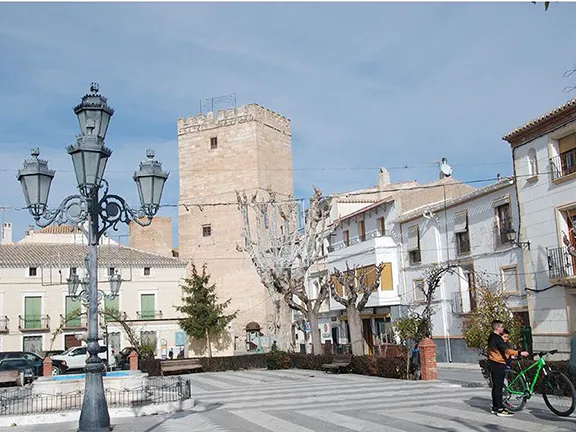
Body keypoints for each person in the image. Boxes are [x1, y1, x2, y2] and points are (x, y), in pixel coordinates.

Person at [488, 320, 529, 417]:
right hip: (498, 364)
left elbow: (500, 351)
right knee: (498, 387)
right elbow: (506, 350)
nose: (503, 329)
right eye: (501, 327)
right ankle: (500, 409)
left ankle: (495, 407)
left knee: (496, 387)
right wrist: (520, 353)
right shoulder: (497, 338)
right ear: (497, 328)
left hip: (493, 363)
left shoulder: (491, 337)